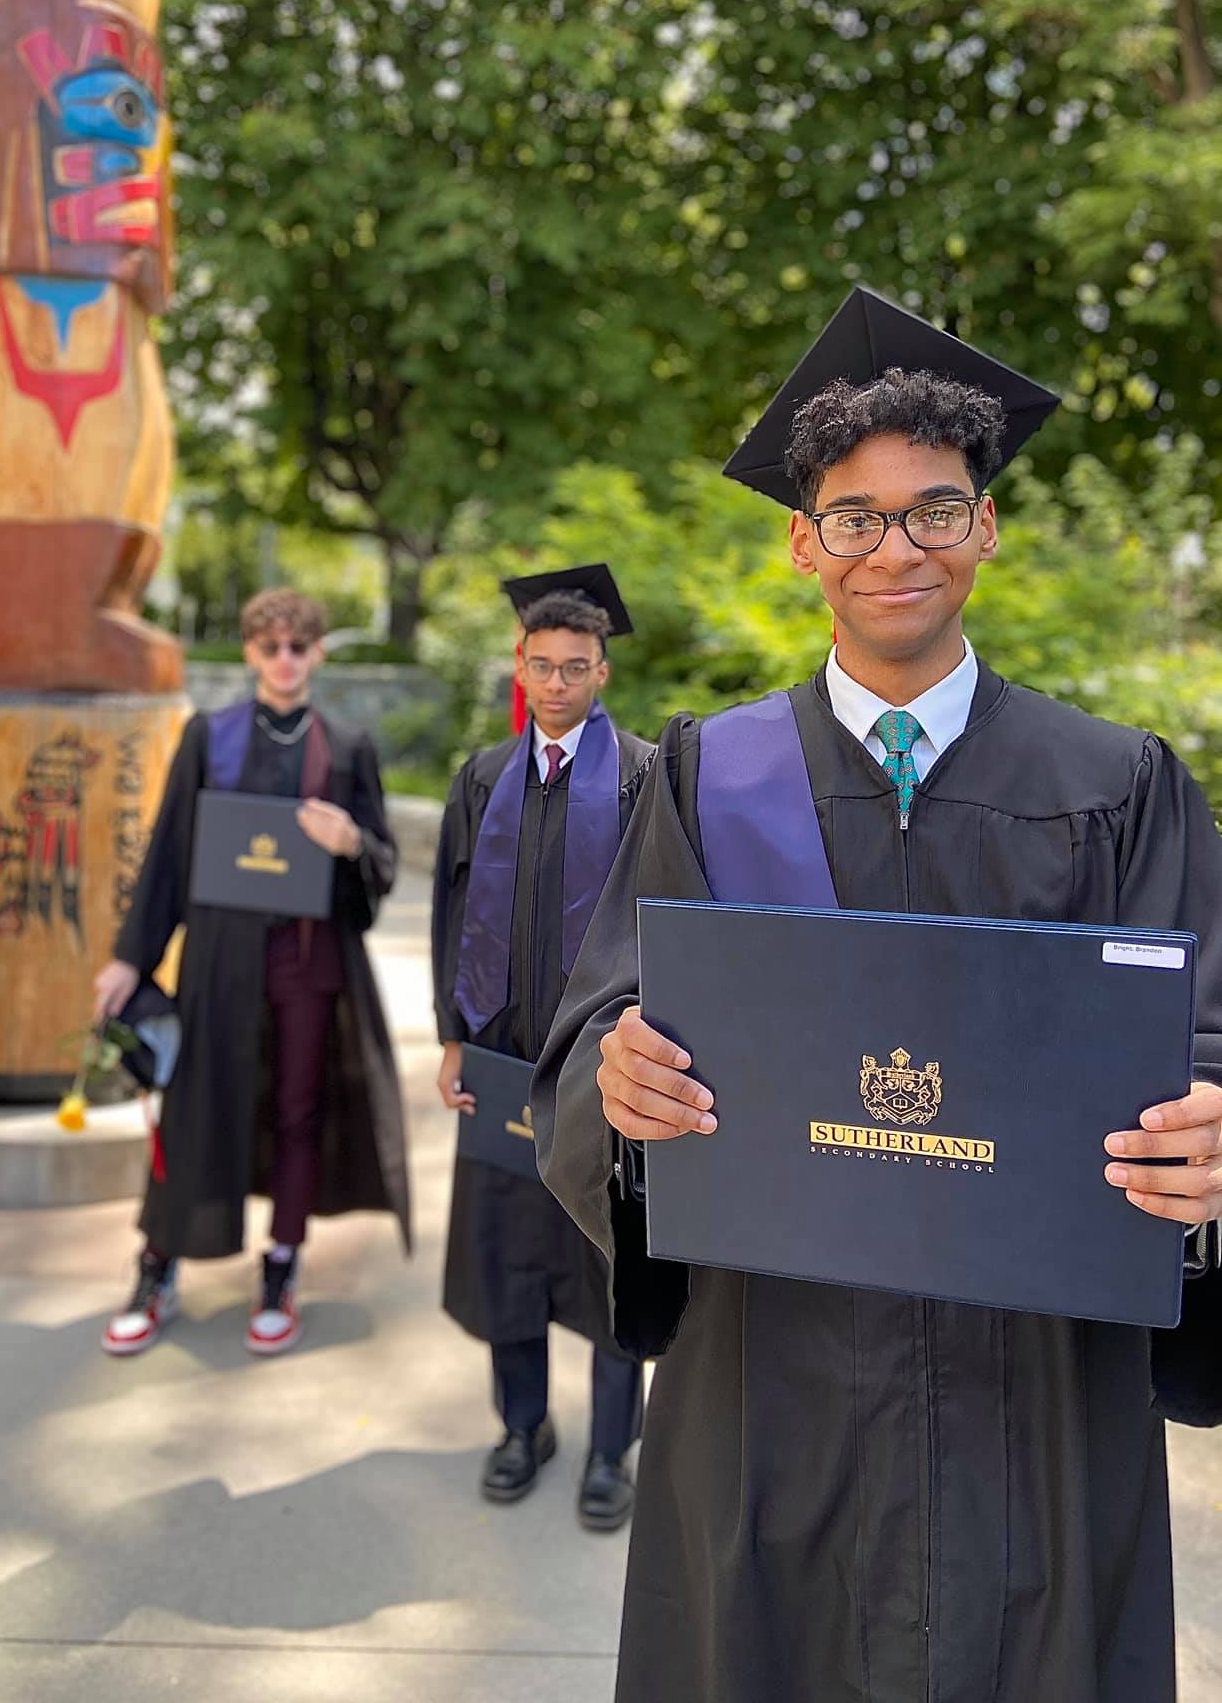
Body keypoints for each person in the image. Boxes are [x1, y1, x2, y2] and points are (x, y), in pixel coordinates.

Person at [532, 289, 1222, 1703]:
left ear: (985, 530)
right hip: (772, 1389)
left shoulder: (1115, 785)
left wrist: (1213, 1139)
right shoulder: (709, 779)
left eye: (935, 509)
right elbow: (597, 1031)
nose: (894, 545)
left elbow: (1201, 1025)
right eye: (855, 515)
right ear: (803, 544)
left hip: (1037, 1395)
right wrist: (619, 1088)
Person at [94, 587, 408, 1359]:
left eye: (299, 645)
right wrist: (130, 958)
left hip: (308, 961)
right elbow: (169, 852)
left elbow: (382, 862)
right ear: (249, 653)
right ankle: (156, 1267)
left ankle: (281, 1263)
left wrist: (350, 845)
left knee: (299, 1111)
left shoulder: (347, 744)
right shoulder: (211, 736)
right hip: (221, 960)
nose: (285, 659)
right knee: (194, 1107)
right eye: (270, 645)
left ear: (318, 652)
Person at [433, 566, 653, 1531]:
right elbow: (450, 910)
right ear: (519, 668)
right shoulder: (483, 778)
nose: (557, 683)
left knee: (609, 1256)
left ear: (602, 672)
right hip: (499, 1054)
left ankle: (613, 1448)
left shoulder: (644, 776)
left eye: (576, 667)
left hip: (600, 1069)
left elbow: (661, 922)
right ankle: (523, 1426)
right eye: (541, 666)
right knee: (506, 1251)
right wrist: (452, 1037)